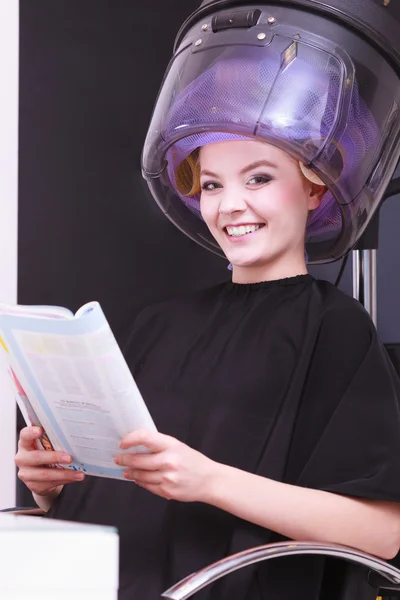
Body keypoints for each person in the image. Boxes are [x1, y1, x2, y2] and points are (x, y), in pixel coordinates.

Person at [14, 36, 400, 600]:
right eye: (212, 185)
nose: (229, 205)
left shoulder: (334, 328)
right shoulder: (159, 323)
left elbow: (383, 534)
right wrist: (53, 488)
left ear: (316, 186)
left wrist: (208, 481)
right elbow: (133, 495)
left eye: (260, 178)